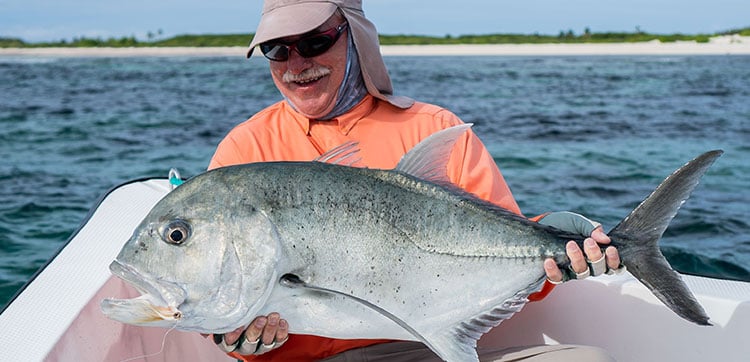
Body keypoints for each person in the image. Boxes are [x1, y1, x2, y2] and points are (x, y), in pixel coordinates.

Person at [206, 1, 621, 361]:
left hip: (423, 349)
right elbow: (211, 287)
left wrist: (558, 239)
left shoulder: (434, 130)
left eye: (316, 42)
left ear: (356, 37)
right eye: (277, 50)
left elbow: (501, 245)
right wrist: (232, 337)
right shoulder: (245, 151)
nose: (297, 65)